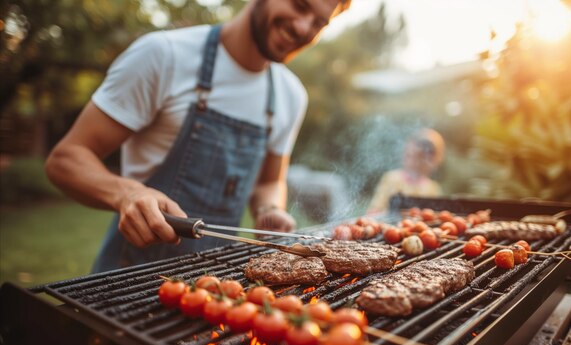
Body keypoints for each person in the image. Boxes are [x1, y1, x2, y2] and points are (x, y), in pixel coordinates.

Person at [45, 0, 351, 272]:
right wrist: (127, 193)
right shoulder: (164, 55)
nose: (302, 27)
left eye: (319, 23)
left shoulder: (290, 95)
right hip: (127, 279)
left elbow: (270, 181)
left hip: (212, 287)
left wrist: (269, 209)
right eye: (299, 5)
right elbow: (66, 159)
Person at [368, 128, 445, 213]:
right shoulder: (391, 179)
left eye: (429, 153)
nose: (421, 160)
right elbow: (375, 210)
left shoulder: (433, 188)